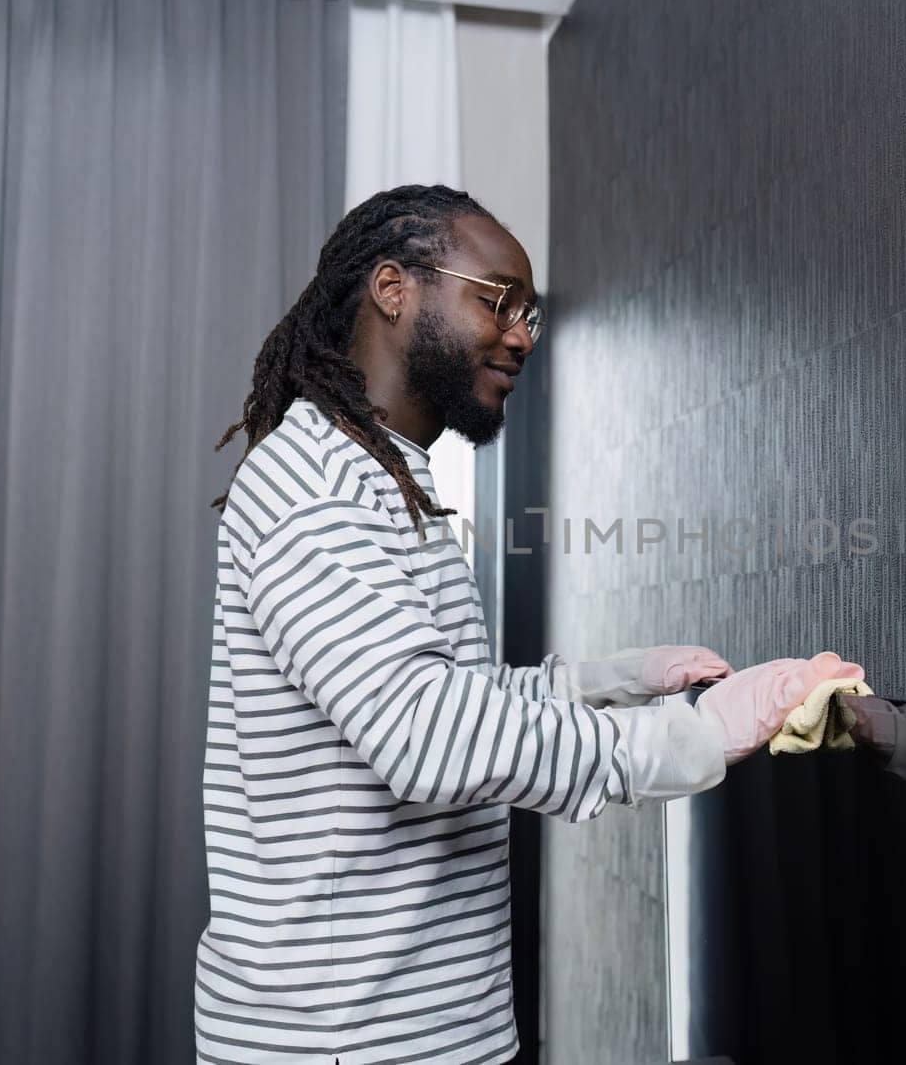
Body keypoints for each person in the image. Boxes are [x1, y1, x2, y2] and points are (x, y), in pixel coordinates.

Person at [195, 184, 864, 1064]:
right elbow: (427, 737)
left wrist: (613, 679)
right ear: (394, 290)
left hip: (440, 1032)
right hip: (345, 1040)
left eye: (531, 314)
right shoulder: (312, 482)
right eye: (498, 299)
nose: (520, 334)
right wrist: (690, 737)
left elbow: (439, 693)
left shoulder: (387, 477)